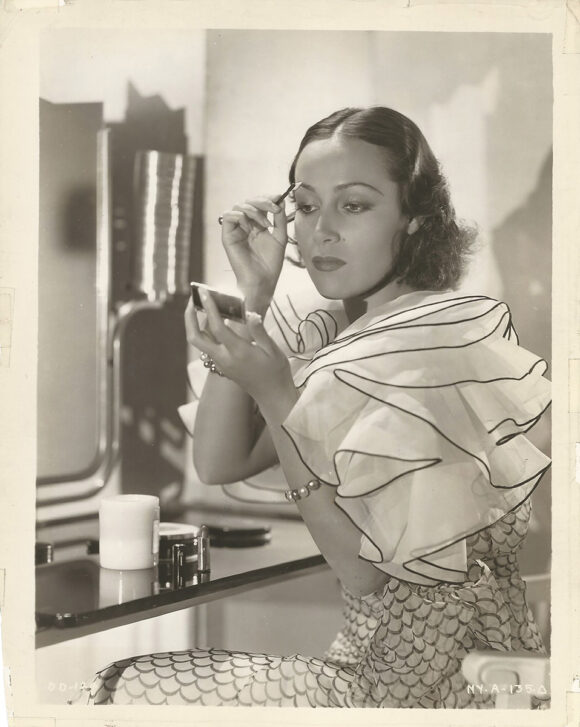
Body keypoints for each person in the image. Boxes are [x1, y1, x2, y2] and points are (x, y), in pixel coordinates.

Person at [87, 107, 551, 708]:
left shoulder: (426, 344)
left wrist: (278, 393)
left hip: (436, 690)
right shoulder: (353, 332)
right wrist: (254, 297)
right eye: (305, 207)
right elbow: (218, 461)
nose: (320, 231)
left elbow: (364, 573)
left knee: (127, 687)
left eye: (354, 206)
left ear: (414, 218)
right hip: (393, 669)